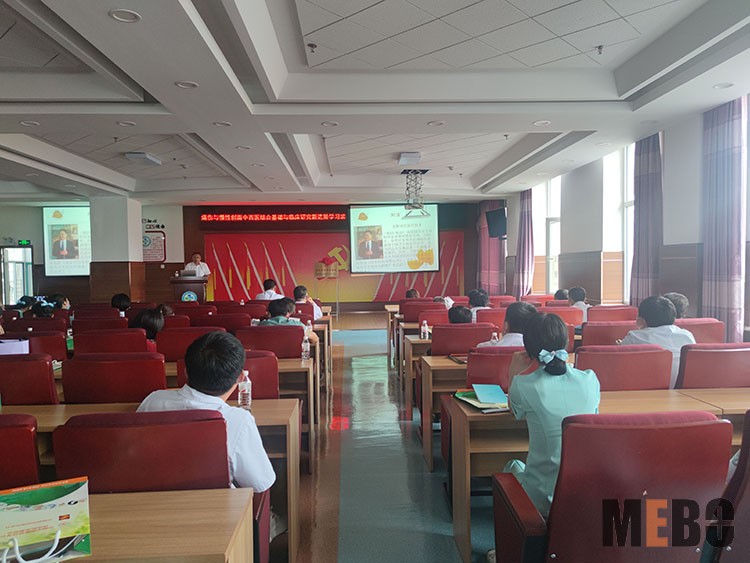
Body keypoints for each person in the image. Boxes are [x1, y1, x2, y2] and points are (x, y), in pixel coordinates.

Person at [138, 331, 276, 491]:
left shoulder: (153, 401)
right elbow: (260, 483)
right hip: (217, 504)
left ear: (185, 371)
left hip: (150, 498)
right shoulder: (237, 420)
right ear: (240, 378)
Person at [503, 313, 600, 519]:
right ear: (566, 341)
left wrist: (513, 372)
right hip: (584, 493)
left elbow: (514, 411)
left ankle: (517, 531)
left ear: (528, 348)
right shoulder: (590, 379)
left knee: (512, 466)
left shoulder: (523, 384)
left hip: (543, 500)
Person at [620, 295, 695, 388]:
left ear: (641, 320)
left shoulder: (635, 337)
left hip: (647, 390)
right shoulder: (687, 335)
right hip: (684, 392)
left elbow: (620, 364)